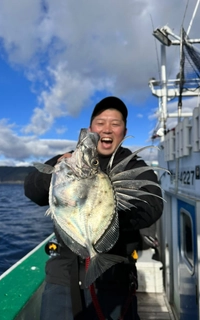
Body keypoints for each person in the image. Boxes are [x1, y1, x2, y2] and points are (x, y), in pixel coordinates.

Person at [24, 96, 163, 320]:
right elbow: (31, 189)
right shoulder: (68, 161)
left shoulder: (134, 166)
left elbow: (152, 206)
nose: (107, 129)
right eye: (101, 122)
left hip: (114, 276)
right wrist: (59, 169)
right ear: (91, 128)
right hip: (63, 275)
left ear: (124, 131)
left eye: (115, 123)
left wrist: (107, 215)